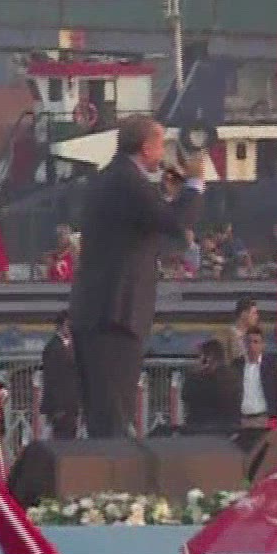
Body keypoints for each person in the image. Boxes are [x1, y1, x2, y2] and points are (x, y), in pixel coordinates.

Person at [68, 116, 204, 437]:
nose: (163, 154)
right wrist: (195, 184)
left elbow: (144, 228)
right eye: (160, 146)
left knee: (103, 415)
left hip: (98, 311)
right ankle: (112, 469)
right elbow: (175, 224)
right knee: (114, 417)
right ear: (145, 147)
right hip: (117, 314)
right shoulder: (129, 182)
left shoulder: (110, 178)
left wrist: (169, 198)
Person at [180, 338, 241, 436]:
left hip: (204, 430)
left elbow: (186, 395)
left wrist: (196, 374)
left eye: (200, 356)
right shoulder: (233, 376)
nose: (197, 360)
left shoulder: (200, 379)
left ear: (209, 357)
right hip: (224, 431)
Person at [235, 326, 277, 431]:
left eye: (256, 342)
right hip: (242, 420)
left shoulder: (272, 365)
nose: (251, 345)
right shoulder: (236, 365)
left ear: (263, 345)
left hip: (265, 418)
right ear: (244, 344)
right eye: (248, 342)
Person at [40, 312, 81, 439]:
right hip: (60, 405)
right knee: (62, 438)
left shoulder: (73, 346)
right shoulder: (53, 348)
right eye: (68, 325)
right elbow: (52, 379)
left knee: (71, 436)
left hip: (72, 403)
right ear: (60, 326)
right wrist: (57, 407)